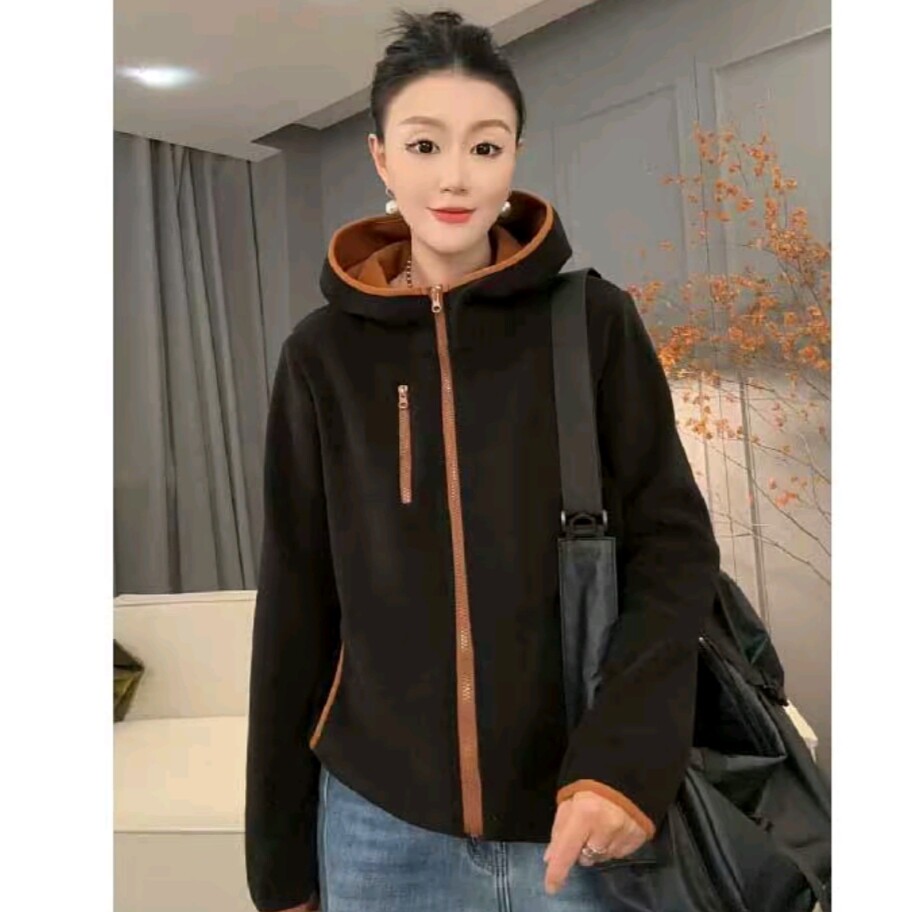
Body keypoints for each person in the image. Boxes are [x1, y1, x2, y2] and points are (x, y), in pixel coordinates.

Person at [244, 8, 720, 912]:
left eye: (486, 146)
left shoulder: (592, 322)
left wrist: (622, 764)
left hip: (575, 817)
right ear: (382, 158)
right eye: (424, 145)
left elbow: (674, 548)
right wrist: (279, 863)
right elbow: (297, 598)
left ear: (515, 158)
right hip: (377, 824)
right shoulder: (321, 354)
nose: (456, 176)